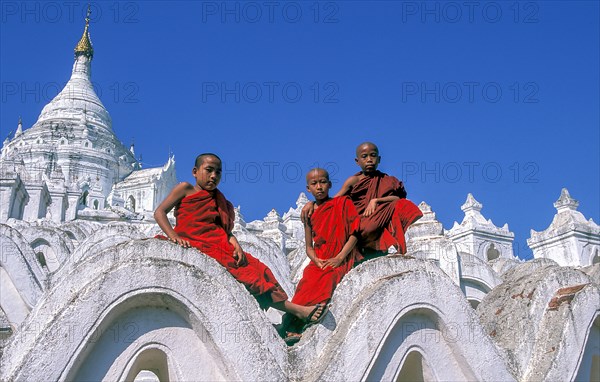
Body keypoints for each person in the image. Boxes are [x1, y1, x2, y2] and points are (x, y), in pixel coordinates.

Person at [154, 153, 325, 325]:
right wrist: (174, 237)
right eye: (209, 170)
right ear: (195, 172)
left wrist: (234, 241)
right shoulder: (185, 189)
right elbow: (159, 212)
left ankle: (287, 316)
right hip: (195, 242)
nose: (214, 176)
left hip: (218, 243)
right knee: (249, 278)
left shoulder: (218, 200)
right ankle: (298, 311)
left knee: (259, 270)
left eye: (218, 172)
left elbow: (223, 229)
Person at [302, 142, 423, 263]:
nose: (369, 160)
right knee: (367, 227)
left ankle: (389, 246)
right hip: (360, 222)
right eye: (364, 156)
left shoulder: (388, 180)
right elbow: (332, 202)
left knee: (404, 206)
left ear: (379, 159)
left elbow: (398, 199)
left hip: (380, 217)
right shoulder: (353, 181)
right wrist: (312, 204)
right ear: (357, 161)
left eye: (373, 155)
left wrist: (376, 201)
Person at [283, 168, 361, 344]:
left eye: (323, 182)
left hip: (340, 257)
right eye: (314, 183)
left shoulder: (343, 204)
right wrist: (316, 260)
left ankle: (305, 322)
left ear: (330, 184)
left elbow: (355, 234)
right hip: (319, 258)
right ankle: (290, 324)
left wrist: (340, 258)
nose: (319, 187)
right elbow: (308, 246)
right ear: (308, 188)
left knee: (328, 278)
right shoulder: (309, 213)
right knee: (306, 281)